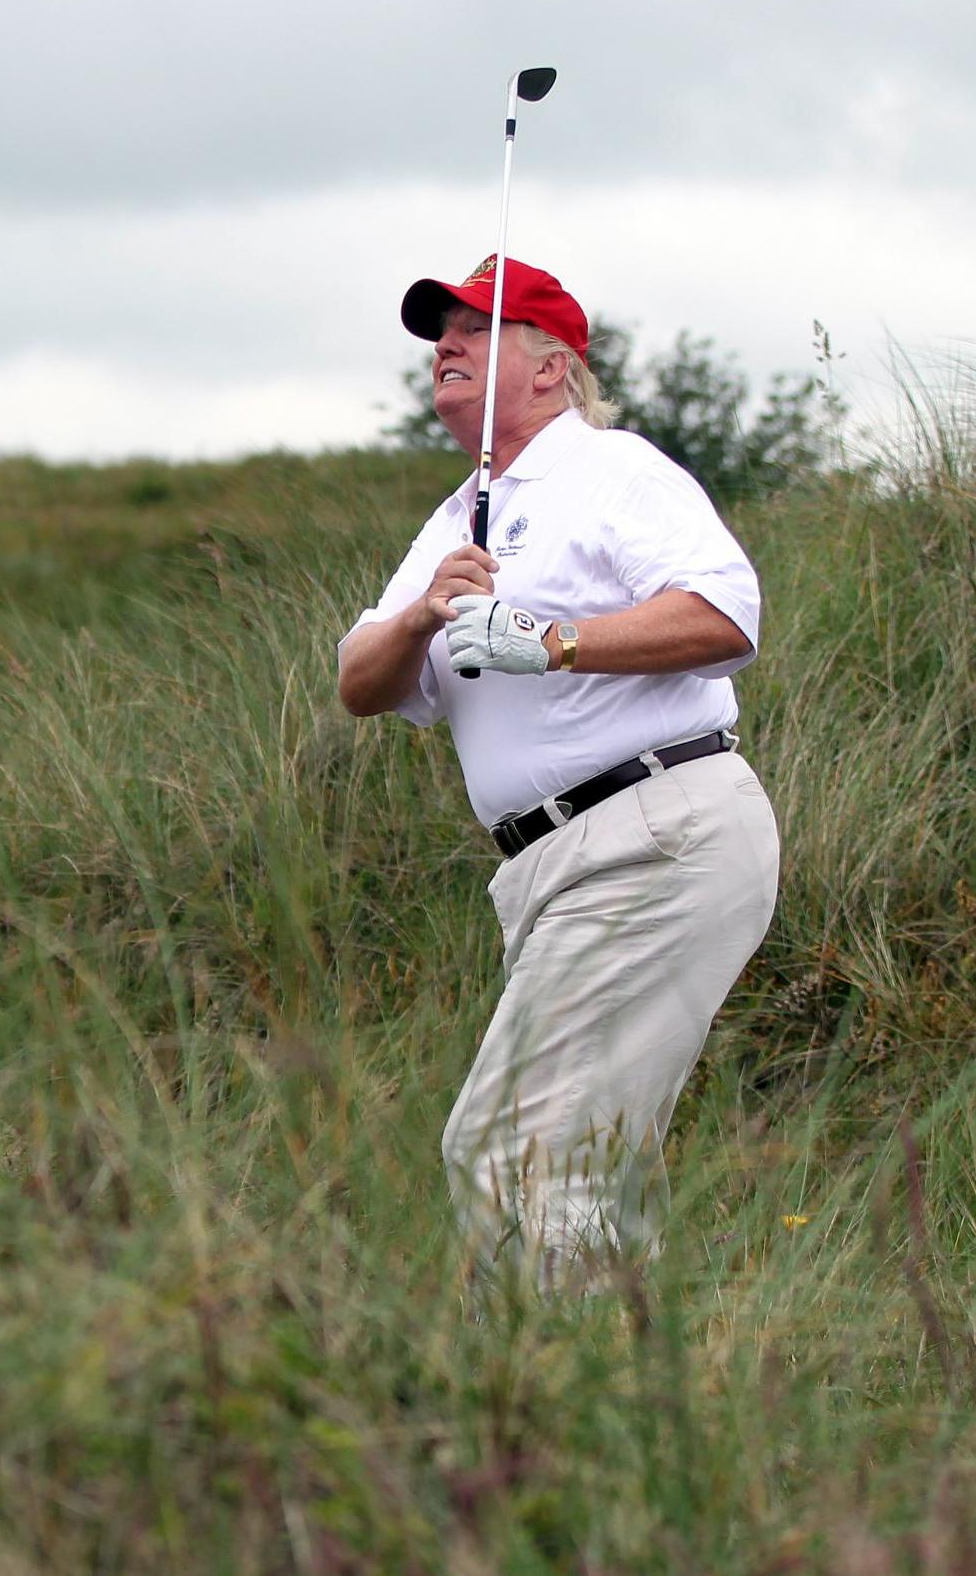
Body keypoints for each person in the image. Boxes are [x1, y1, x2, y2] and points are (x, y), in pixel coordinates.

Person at [336, 256, 780, 1293]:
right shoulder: (457, 519)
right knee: (584, 1169)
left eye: (476, 328)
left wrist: (555, 637)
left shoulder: (611, 468)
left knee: (511, 1151)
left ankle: (548, 1418)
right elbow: (360, 681)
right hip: (557, 865)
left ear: (551, 366)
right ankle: (640, 1410)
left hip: (652, 829)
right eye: (440, 330)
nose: (444, 343)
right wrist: (417, 615)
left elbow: (726, 616)